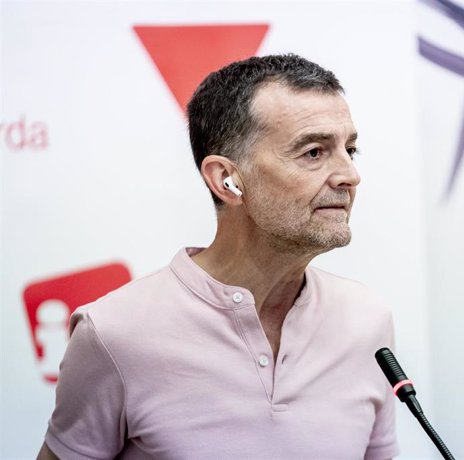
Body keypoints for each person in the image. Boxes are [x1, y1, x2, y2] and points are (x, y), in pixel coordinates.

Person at [38, 54, 398, 459]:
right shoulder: (114, 333)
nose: (349, 174)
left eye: (350, 149)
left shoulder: (368, 320)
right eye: (314, 152)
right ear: (226, 180)